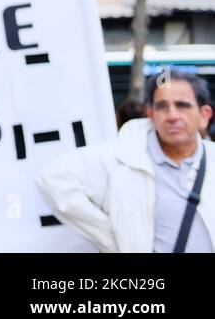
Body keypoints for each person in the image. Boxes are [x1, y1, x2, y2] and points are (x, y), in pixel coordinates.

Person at [36, 70, 214, 252]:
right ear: (150, 114)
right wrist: (111, 239)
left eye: (182, 106)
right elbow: (52, 179)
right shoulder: (123, 157)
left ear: (204, 115)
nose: (172, 116)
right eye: (162, 106)